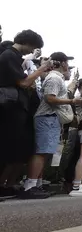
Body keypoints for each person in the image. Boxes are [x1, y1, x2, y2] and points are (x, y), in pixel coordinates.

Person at [22, 52, 81, 199]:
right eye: (66, 62)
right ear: (62, 63)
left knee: (45, 152)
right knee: (41, 152)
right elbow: (50, 98)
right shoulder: (54, 78)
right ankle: (30, 185)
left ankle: (37, 184)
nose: (68, 65)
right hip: (47, 117)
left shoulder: (56, 78)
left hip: (51, 119)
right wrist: (72, 102)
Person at [0, 30, 51, 197]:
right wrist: (41, 69)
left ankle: (6, 185)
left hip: (16, 107)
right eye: (33, 47)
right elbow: (23, 82)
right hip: (10, 107)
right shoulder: (9, 55)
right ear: (27, 42)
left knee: (13, 149)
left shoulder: (14, 58)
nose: (32, 51)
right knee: (7, 147)